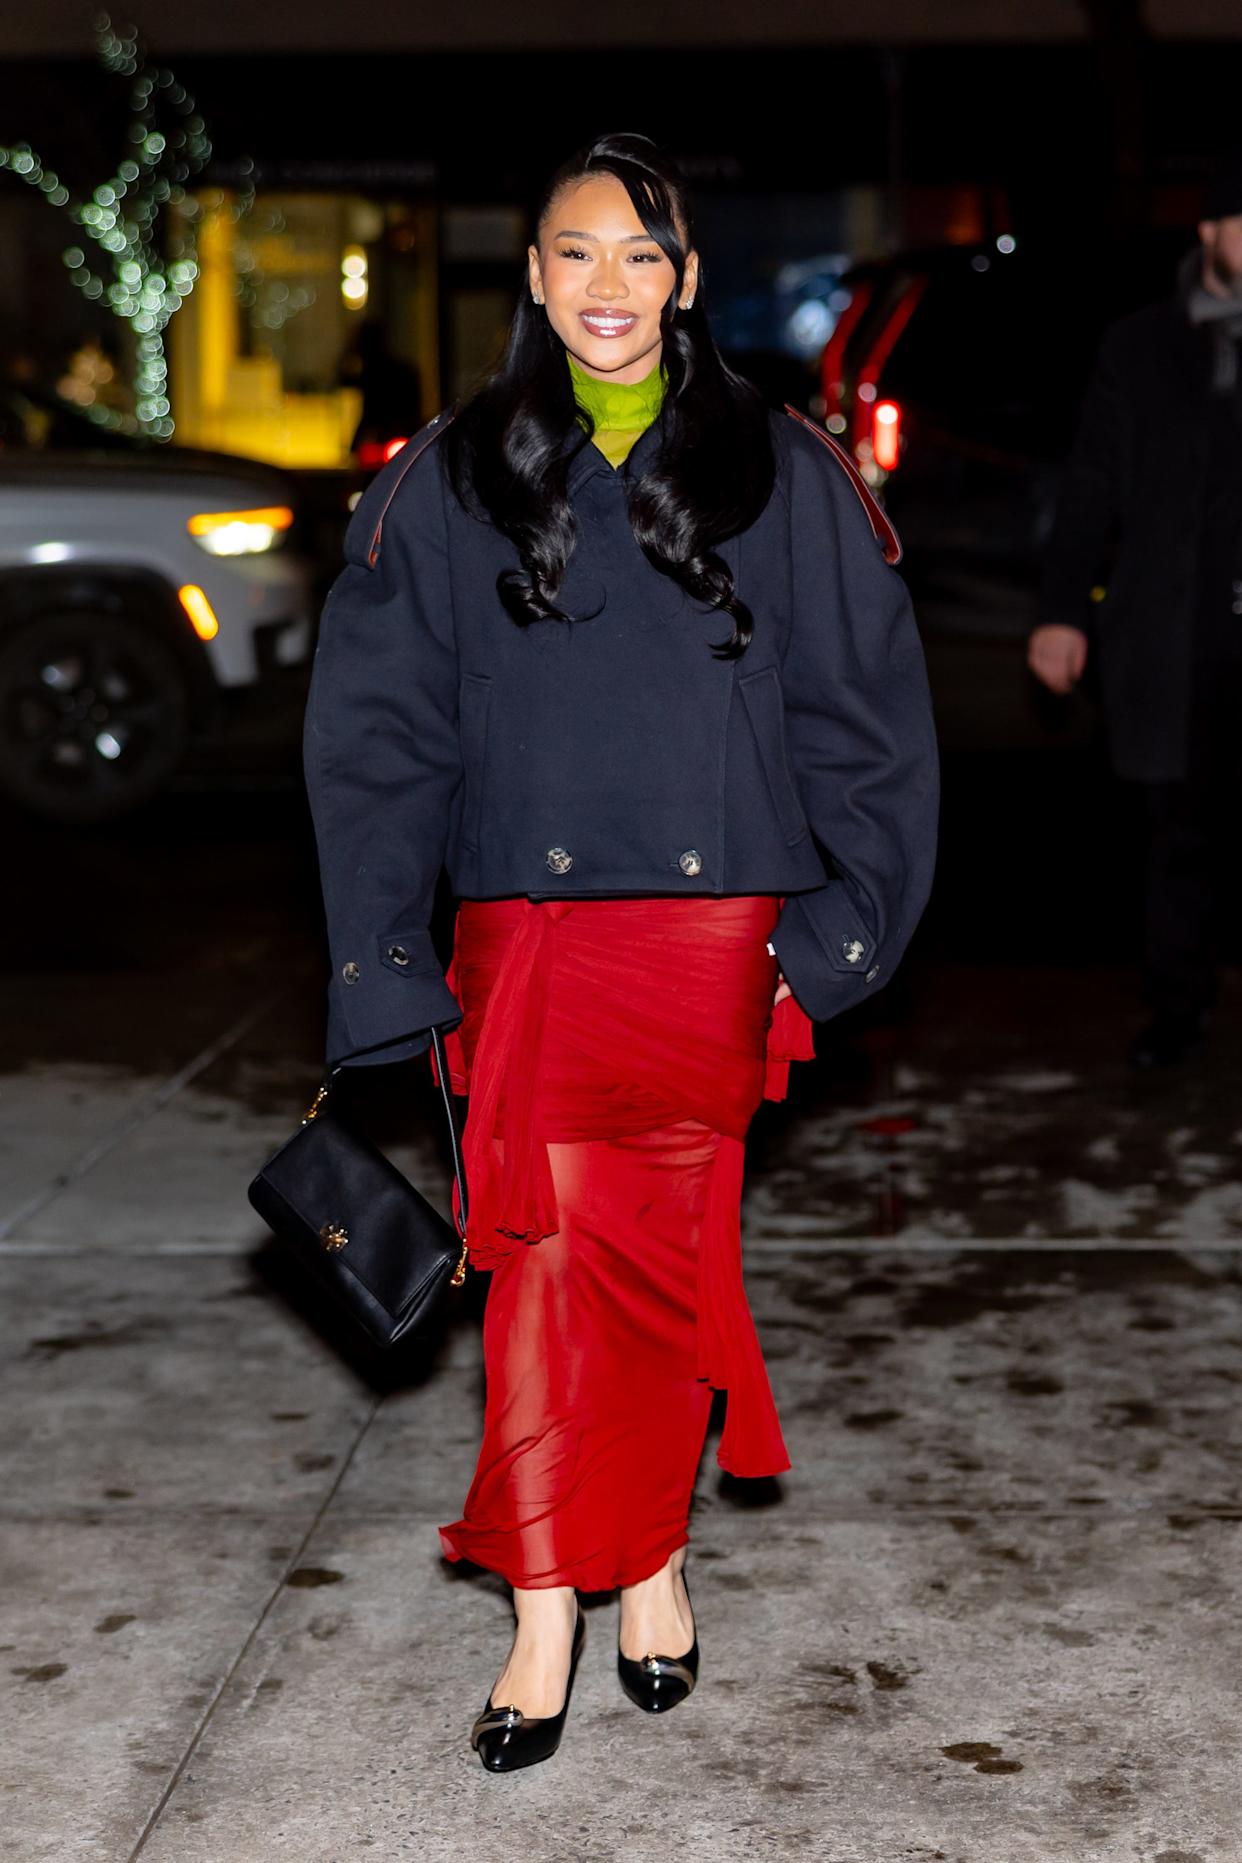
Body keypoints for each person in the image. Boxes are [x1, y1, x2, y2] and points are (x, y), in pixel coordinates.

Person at [303, 131, 938, 1772]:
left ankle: (641, 1552)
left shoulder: (780, 468)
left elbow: (865, 717)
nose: (608, 284)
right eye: (575, 251)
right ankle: (554, 1601)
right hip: (522, 941)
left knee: (655, 1276)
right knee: (538, 1279)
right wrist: (383, 955)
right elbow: (377, 740)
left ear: (687, 278)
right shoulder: (447, 477)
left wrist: (827, 937)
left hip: (703, 944)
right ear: (531, 274)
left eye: (641, 253)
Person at [1029, 157, 1242, 1067]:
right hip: (1174, 630)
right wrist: (1061, 611)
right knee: (1178, 830)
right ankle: (1176, 1010)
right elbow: (1091, 487)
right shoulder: (1141, 345)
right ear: (1210, 230)